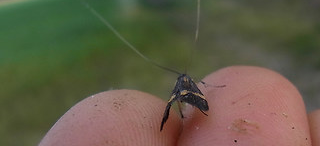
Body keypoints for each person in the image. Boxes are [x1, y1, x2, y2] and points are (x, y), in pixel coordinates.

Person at [39, 66, 320, 145]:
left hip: (189, 99)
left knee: (178, 99)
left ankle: (181, 112)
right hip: (185, 99)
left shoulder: (185, 87)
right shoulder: (183, 87)